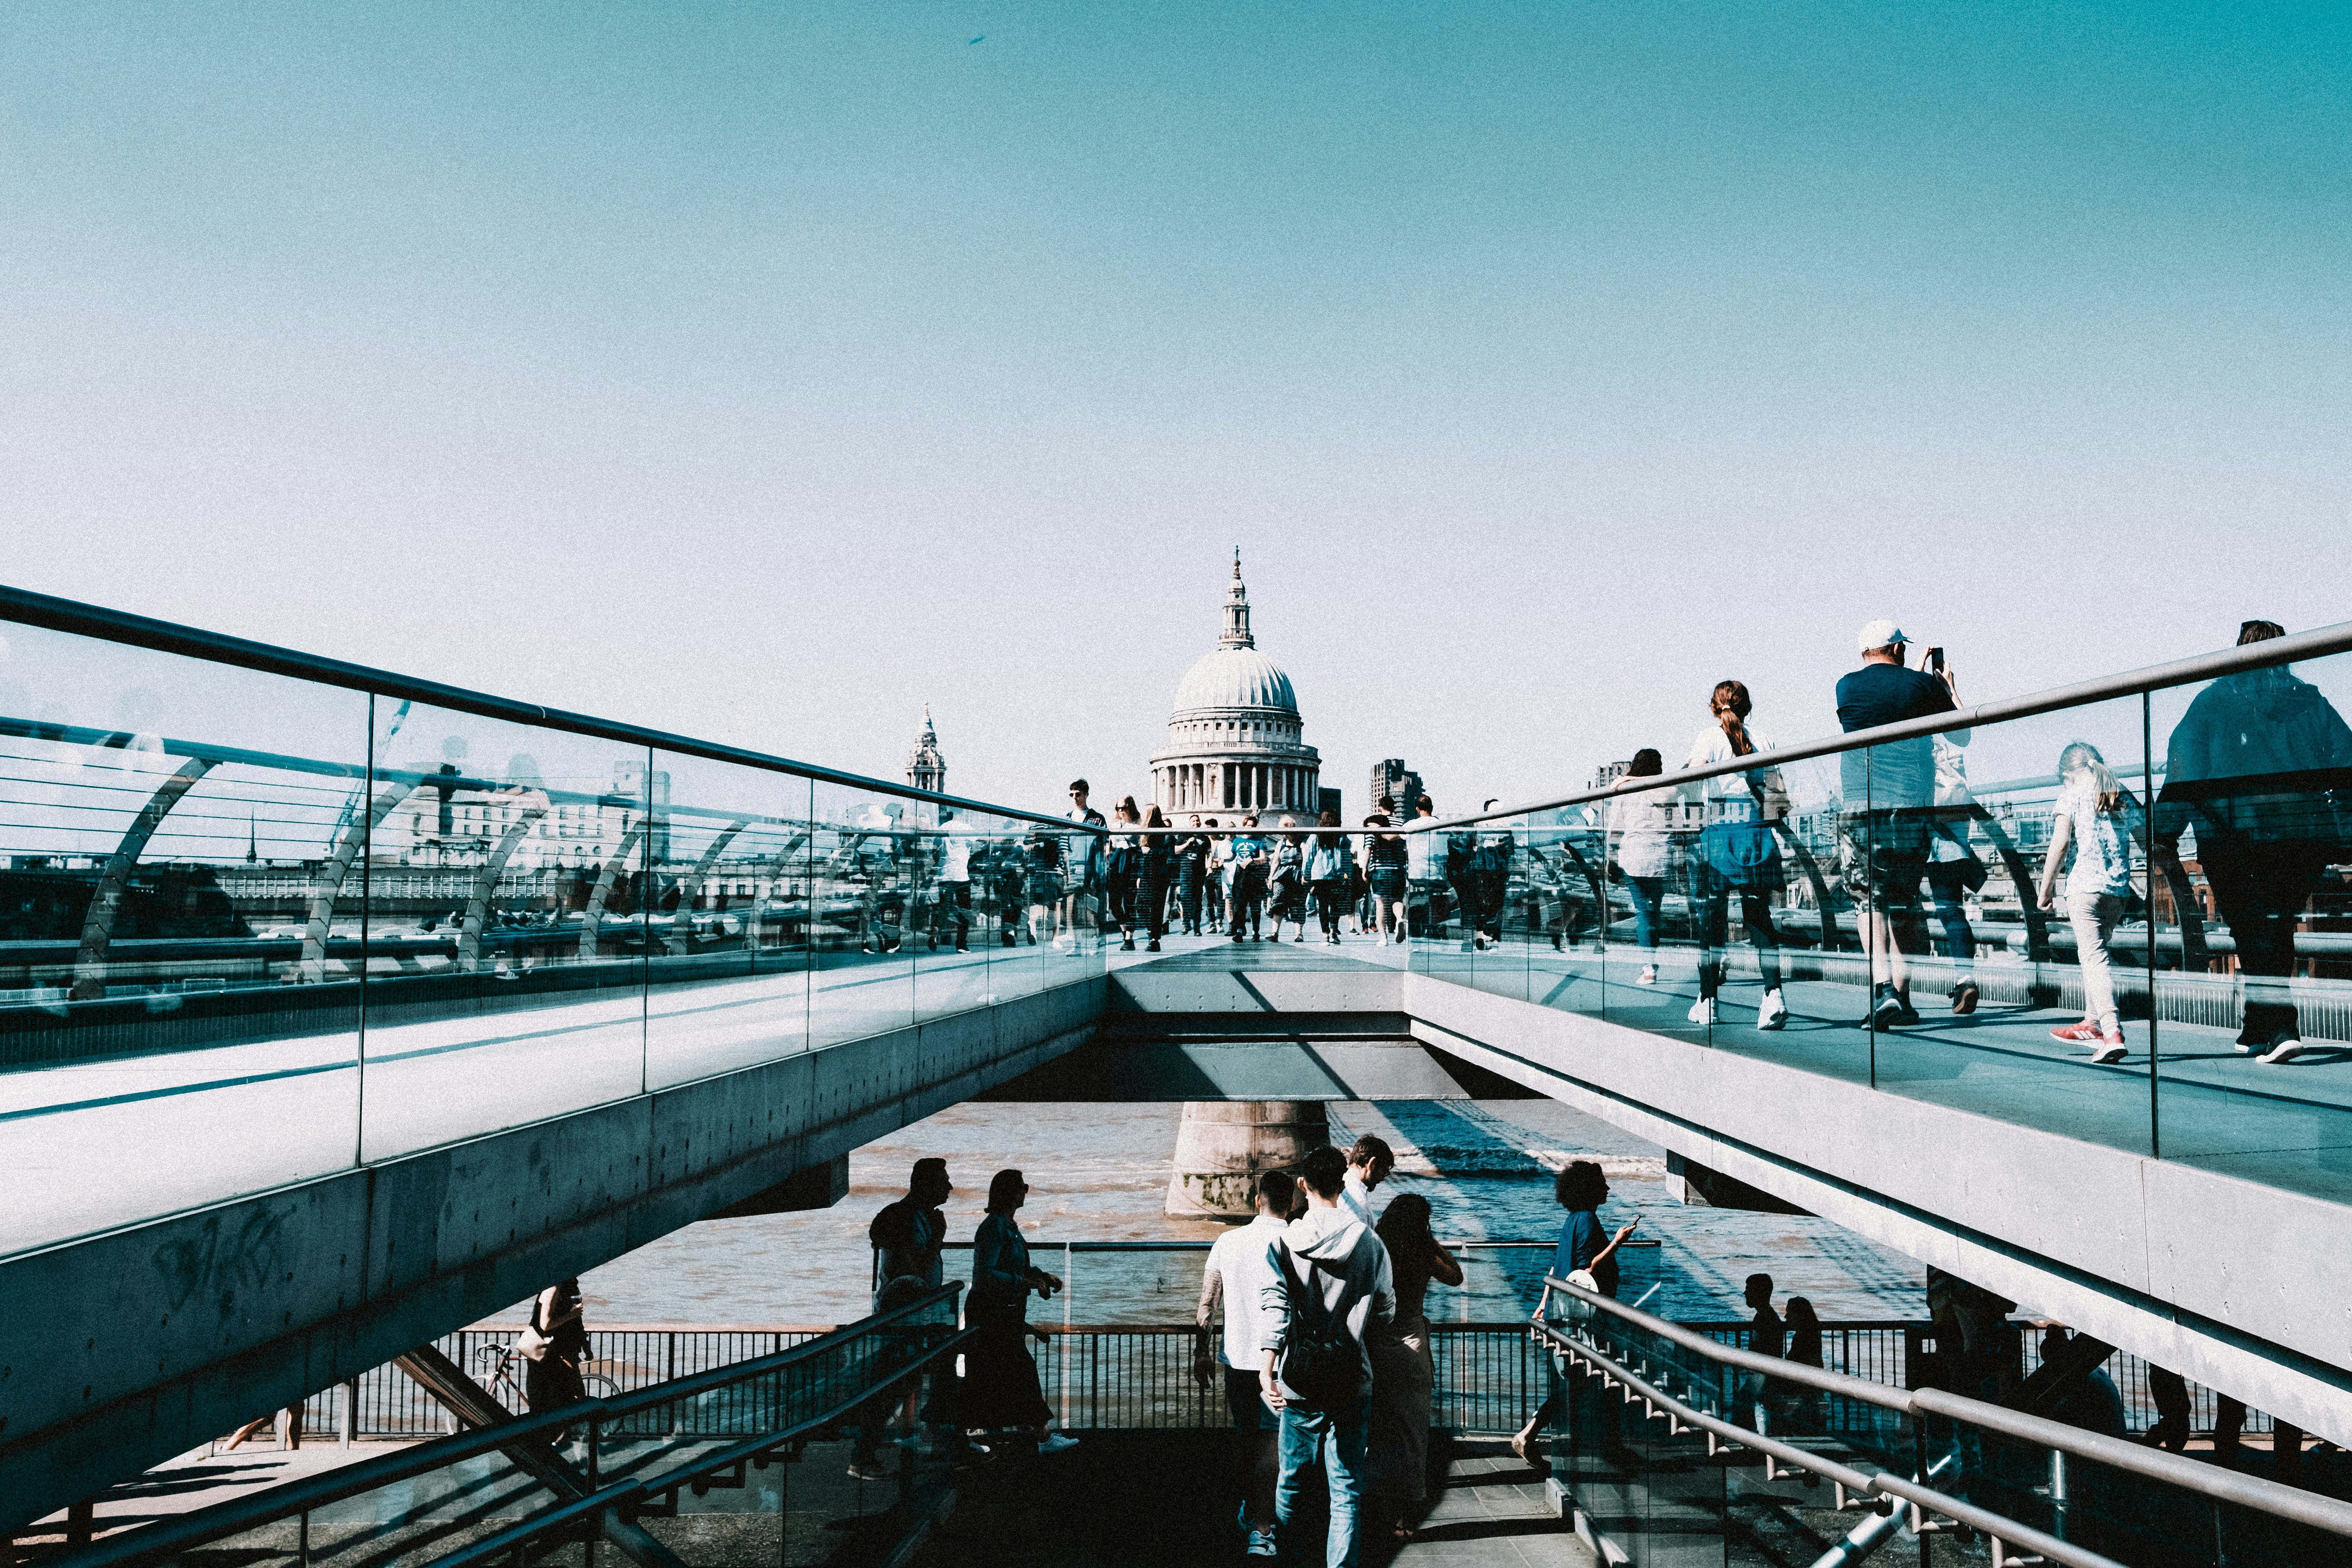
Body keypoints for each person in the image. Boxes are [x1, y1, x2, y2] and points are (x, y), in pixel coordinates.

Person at [2154, 620, 2352, 1064]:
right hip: (2301, 837)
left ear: (2236, 653)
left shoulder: (2212, 701)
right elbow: (2347, 758)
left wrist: (2162, 832)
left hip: (2233, 837)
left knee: (2252, 928)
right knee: (2272, 926)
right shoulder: (2309, 701)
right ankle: (2255, 1025)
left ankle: (2282, 1026)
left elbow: (2185, 769)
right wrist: (2342, 827)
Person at [1256, 1145, 1395, 1568]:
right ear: (1343, 1182)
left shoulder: (1283, 1244)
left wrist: (1267, 1370)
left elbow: (1275, 1307)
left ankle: (1288, 1558)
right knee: (1346, 1487)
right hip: (1351, 1378)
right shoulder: (1370, 1244)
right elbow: (1386, 1310)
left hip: (1299, 1378)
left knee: (1292, 1480)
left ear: (1302, 1186)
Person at [1835, 621, 1969, 1025]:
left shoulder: (1845, 686)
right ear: (1896, 649)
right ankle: (1904, 1000)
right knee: (1904, 901)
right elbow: (1960, 736)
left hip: (1863, 802)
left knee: (1867, 898)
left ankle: (1882, 991)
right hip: (1913, 805)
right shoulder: (1921, 686)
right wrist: (1942, 687)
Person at [1195, 1170, 1298, 1559]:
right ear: (1292, 1203)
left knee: (1246, 1438)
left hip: (1236, 1360)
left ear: (1258, 1200)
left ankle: (1252, 1511)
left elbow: (1207, 1306)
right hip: (1280, 1364)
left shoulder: (1227, 1240)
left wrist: (1201, 1353)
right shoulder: (1294, 1240)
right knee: (1272, 1447)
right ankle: (1262, 1528)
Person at [1511, 1161, 1637, 1462]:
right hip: (1588, 1318)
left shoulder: (1571, 1221)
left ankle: (1531, 1433)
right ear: (1590, 1189)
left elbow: (1557, 1268)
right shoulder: (1588, 1220)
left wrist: (1543, 1304)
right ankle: (1610, 1446)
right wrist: (1617, 1243)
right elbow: (1586, 1268)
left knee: (1579, 1381)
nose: (1607, 1188)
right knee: (1607, 1378)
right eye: (1602, 1183)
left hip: (1567, 1312)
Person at [1683, 683, 1790, 1030]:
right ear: (1748, 706)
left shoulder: (1708, 739)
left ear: (1713, 707)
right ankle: (1773, 995)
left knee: (1711, 920)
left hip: (1718, 834)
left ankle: (1708, 999)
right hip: (1756, 832)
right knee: (1759, 917)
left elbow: (1690, 780)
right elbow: (1778, 797)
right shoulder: (1765, 739)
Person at [1366, 1193, 1462, 1544]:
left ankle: (1374, 1507)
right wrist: (1430, 1237)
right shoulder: (1423, 1252)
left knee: (1377, 1431)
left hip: (1375, 1344)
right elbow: (1456, 1276)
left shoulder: (1376, 1249)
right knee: (1411, 1434)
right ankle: (1405, 1515)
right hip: (1412, 1347)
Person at [2036, 742, 2138, 1064]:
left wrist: (2045, 887)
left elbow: (2061, 841)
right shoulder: (2117, 792)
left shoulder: (2073, 792)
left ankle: (2111, 1031)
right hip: (2118, 890)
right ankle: (2091, 1024)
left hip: (2084, 888)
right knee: (2097, 953)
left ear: (2067, 774)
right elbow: (2146, 834)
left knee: (2093, 958)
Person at [964, 1170, 1078, 1455]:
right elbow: (984, 1274)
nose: (1026, 1191)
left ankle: (953, 1433)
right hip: (991, 1314)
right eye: (1022, 1187)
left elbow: (1011, 1267)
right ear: (1009, 1193)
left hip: (1003, 1313)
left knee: (985, 1376)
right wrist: (1025, 1281)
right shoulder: (994, 1227)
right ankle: (1042, 1436)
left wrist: (1041, 1274)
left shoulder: (1008, 1226)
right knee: (1021, 1371)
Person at [867, 1159, 957, 1455]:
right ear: (926, 1185)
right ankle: (868, 1449)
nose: (950, 1188)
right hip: (904, 1316)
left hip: (912, 1314)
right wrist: (938, 1236)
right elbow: (916, 1269)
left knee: (908, 1378)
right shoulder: (907, 1218)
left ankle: (916, 1432)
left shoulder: (914, 1216)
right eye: (943, 1182)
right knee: (895, 1382)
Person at [1925, 735, 1985, 1013]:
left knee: (1898, 909)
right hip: (1954, 836)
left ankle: (1898, 992)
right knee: (1953, 911)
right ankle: (1965, 978)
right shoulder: (1948, 744)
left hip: (1922, 837)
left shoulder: (1914, 742)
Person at [1606, 751, 1673, 986]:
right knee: (1654, 911)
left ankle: (1649, 969)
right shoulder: (1666, 788)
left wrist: (1610, 859)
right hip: (1662, 857)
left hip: (1634, 856)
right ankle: (1651, 963)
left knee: (1643, 912)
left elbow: (1614, 829)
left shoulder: (1624, 790)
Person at [523, 1277, 590, 1442]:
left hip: (563, 1353)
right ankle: (547, 1441)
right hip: (548, 1354)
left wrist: (585, 1343)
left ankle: (557, 1438)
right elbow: (545, 1324)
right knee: (554, 1400)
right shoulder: (552, 1288)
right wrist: (572, 1314)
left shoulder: (569, 1286)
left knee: (568, 1398)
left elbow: (576, 1322)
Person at [1059, 780, 1106, 954]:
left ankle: (1095, 940)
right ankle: (1077, 944)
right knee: (1072, 909)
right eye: (1072, 795)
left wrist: (1099, 873)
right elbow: (1063, 846)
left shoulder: (1098, 819)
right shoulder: (1067, 818)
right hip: (1072, 870)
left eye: (1078, 794)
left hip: (1092, 870)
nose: (1075, 798)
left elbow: (1102, 847)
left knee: (1091, 908)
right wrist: (1066, 870)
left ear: (1086, 794)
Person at [1307, 812, 1356, 945]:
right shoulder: (1342, 838)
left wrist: (1306, 875)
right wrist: (1348, 876)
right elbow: (1347, 860)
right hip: (1337, 876)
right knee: (1335, 905)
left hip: (1320, 876)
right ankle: (1334, 932)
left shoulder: (1315, 836)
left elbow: (1309, 858)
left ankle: (1325, 935)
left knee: (1323, 905)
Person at [1364, 814, 1410, 945]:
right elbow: (1406, 849)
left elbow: (1367, 850)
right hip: (1397, 870)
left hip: (1380, 871)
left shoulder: (1372, 830)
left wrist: (1364, 870)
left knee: (1381, 904)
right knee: (1397, 900)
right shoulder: (1398, 829)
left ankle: (1383, 939)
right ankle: (1400, 919)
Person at [930, 814, 973, 953]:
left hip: (944, 875)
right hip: (961, 876)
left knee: (944, 908)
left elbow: (935, 854)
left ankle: (936, 927)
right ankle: (961, 944)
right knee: (964, 910)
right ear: (961, 814)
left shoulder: (941, 828)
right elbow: (978, 844)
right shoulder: (967, 828)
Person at [1105, 796, 1144, 951]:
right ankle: (1124, 932)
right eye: (1118, 808)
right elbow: (1112, 844)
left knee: (1130, 902)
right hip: (1117, 862)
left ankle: (1130, 938)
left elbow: (1142, 847)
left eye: (1123, 808)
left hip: (1132, 863)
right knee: (1114, 903)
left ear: (1130, 807)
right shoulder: (1114, 824)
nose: (1120, 811)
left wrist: (1141, 874)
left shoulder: (1139, 824)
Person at [1228, 814, 1269, 942]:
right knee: (1240, 905)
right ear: (1244, 826)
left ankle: (1255, 932)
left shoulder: (1259, 841)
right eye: (1248, 826)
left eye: (1253, 826)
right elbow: (1232, 856)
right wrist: (1220, 859)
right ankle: (1240, 931)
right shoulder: (1237, 841)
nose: (1250, 828)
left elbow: (1263, 859)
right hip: (1240, 873)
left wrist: (1252, 860)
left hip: (1254, 874)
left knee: (1255, 905)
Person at [1268, 816, 1310, 942]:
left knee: (1298, 904)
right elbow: (1276, 861)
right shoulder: (1280, 844)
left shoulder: (1302, 843)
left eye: (1286, 831)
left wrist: (1305, 874)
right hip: (1282, 875)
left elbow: (1307, 859)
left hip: (1298, 875)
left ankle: (1299, 934)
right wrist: (1271, 877)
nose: (1284, 834)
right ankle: (1274, 933)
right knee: (1278, 901)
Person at [1138, 805, 1175, 951]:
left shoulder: (1165, 833)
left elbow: (1168, 854)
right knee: (1141, 904)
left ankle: (1154, 939)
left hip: (1160, 875)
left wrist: (1150, 852)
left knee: (1157, 907)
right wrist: (1140, 875)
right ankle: (1152, 933)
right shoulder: (1146, 832)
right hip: (1147, 873)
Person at [1341, 1135, 1393, 1226]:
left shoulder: (1340, 1187)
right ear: (1372, 1164)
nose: (1382, 1179)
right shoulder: (1358, 1202)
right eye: (1384, 1172)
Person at [1173, 815, 1211, 936]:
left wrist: (1209, 866)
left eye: (1198, 821)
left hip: (1199, 871)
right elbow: (1175, 850)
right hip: (1186, 870)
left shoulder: (1205, 838)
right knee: (1185, 898)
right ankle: (1186, 924)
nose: (1196, 823)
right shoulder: (1184, 836)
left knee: (1198, 900)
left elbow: (1210, 854)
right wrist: (1187, 844)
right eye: (1194, 821)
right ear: (1190, 823)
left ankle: (1197, 928)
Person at [2145, 1366, 2192, 1452]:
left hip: (2163, 1374)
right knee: (2180, 1414)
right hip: (2167, 1375)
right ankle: (2150, 1443)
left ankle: (2149, 1443)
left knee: (2177, 1415)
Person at [1745, 1272, 1784, 1360]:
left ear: (1757, 1293)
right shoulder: (1766, 1317)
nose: (1745, 1293)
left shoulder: (1766, 1319)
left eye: (1748, 1289)